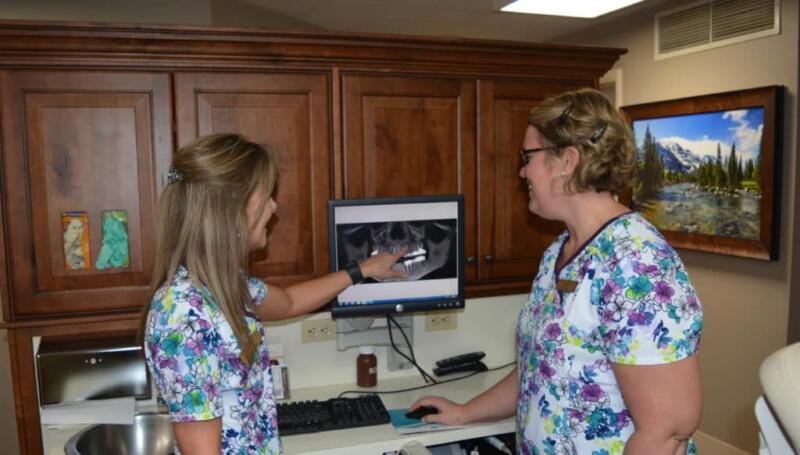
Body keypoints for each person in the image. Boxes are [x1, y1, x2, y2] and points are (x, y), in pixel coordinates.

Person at [410, 88, 704, 454]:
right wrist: (465, 412)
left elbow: (668, 430)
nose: (522, 171)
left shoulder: (636, 262)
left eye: (527, 156)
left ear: (566, 160)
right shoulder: (559, 252)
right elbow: (539, 369)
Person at [141, 134, 405, 454]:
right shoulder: (183, 316)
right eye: (265, 195)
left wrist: (363, 269)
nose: (274, 206)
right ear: (232, 208)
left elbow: (289, 302)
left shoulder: (225, 285)